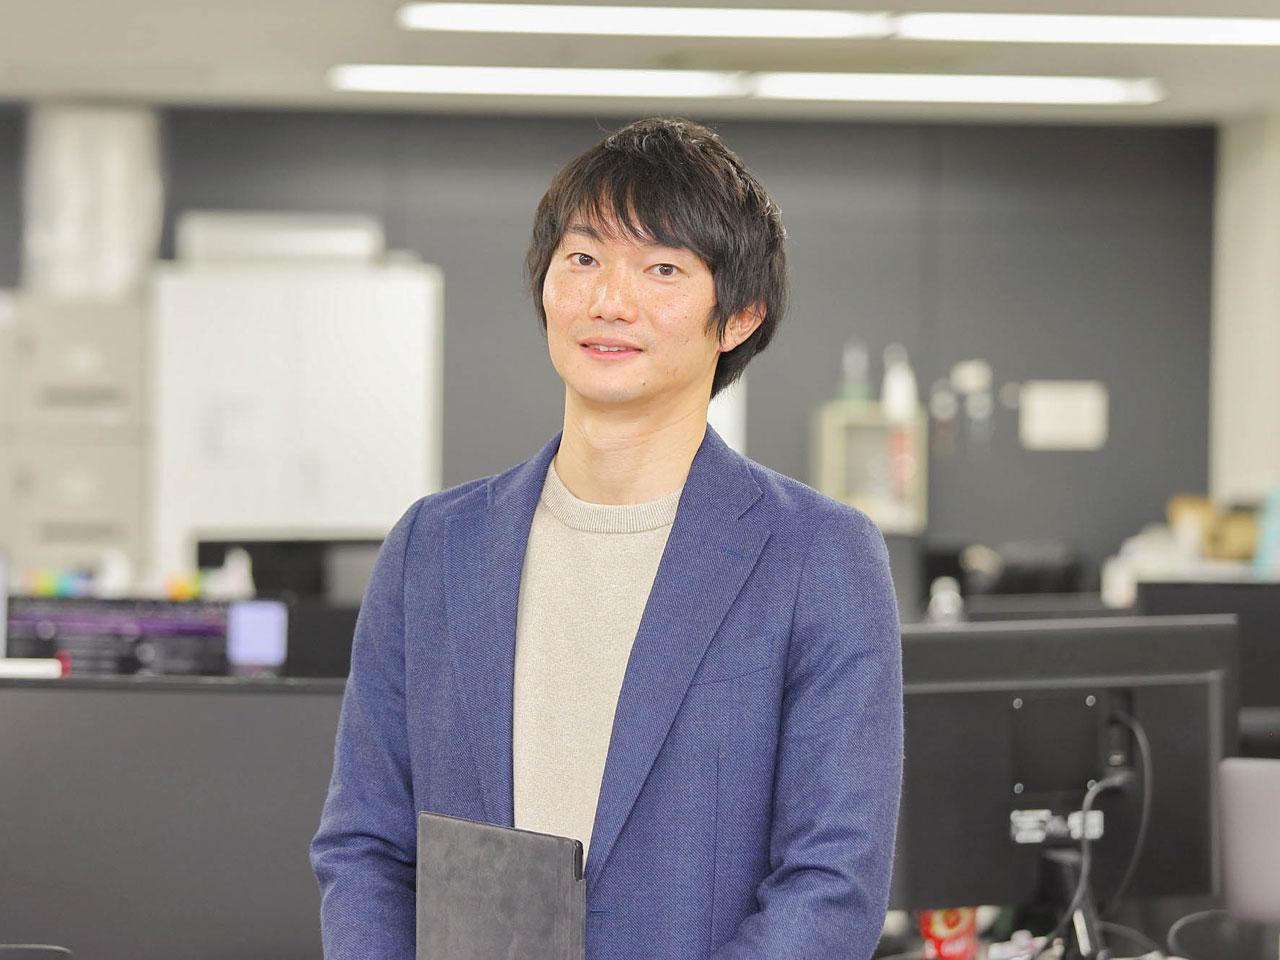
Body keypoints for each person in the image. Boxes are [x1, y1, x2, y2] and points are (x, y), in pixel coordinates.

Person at [310, 116, 903, 960]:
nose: (608, 301)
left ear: (739, 316)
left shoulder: (818, 555)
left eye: (662, 269)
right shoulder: (434, 548)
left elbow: (832, 882)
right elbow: (365, 845)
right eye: (583, 258)